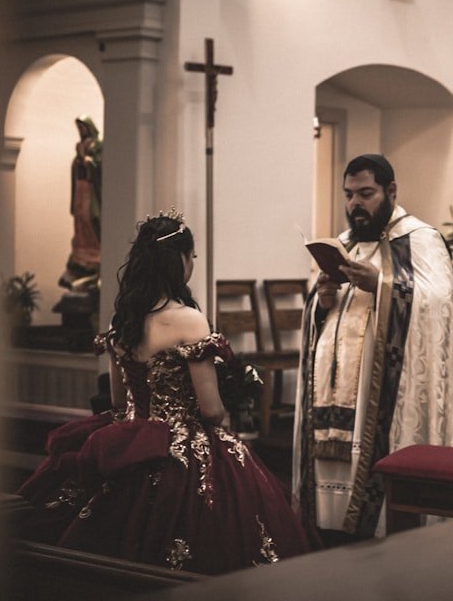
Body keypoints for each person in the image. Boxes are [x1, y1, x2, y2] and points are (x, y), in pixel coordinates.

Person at [18, 211, 314, 572]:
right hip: (179, 448)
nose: (193, 264)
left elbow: (116, 400)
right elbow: (210, 411)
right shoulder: (188, 319)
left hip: (124, 441)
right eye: (191, 257)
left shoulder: (122, 319)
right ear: (179, 260)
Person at [293, 154, 453, 545]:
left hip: (380, 395)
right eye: (349, 195)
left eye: (366, 194)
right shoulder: (342, 244)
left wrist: (383, 286)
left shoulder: (420, 239)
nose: (355, 204)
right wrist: (320, 301)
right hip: (334, 386)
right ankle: (326, 529)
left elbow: (439, 304)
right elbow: (318, 318)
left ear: (390, 191)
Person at [59, 115, 102, 290]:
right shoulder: (80, 145)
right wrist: (78, 162)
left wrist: (89, 163)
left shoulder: (98, 145)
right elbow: (76, 166)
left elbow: (99, 165)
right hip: (80, 187)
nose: (81, 131)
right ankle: (81, 256)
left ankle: (94, 256)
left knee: (90, 219)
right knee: (80, 219)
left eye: (83, 127)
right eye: (79, 128)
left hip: (91, 189)